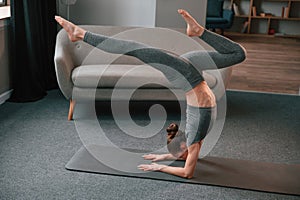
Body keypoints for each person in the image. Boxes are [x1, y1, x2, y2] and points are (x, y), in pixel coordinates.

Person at [55, 9, 246, 179]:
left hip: (187, 77)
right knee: (238, 55)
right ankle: (199, 32)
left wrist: (160, 165)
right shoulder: (195, 137)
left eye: (181, 154)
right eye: (181, 155)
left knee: (135, 49)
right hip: (192, 73)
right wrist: (165, 158)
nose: (185, 156)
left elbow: (186, 168)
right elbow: (188, 168)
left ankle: (80, 34)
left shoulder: (194, 135)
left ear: (183, 148)